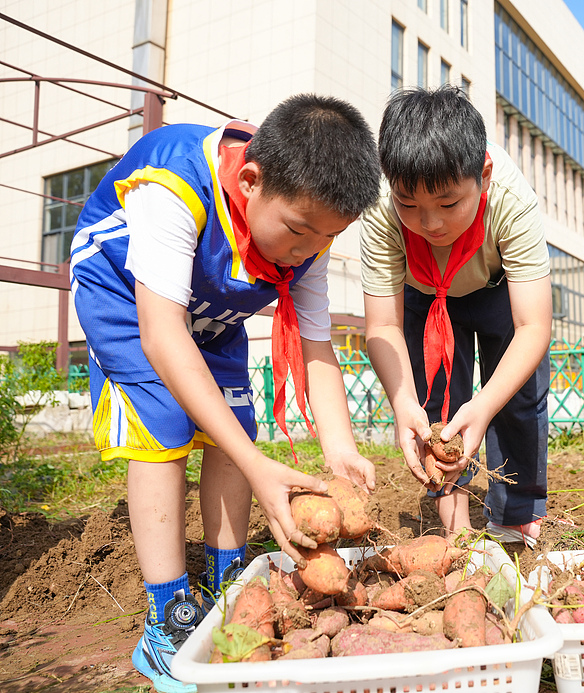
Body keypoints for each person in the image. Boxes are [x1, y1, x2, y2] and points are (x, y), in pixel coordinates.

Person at [70, 94, 381, 693]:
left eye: (323, 239)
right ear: (250, 180)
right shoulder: (175, 186)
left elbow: (317, 347)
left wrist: (339, 445)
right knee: (162, 420)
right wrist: (258, 467)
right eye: (296, 232)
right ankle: (166, 616)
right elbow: (162, 336)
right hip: (127, 295)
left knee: (237, 423)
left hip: (210, 313)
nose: (304, 251)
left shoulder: (308, 232)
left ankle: (229, 580)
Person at [360, 85, 553, 546]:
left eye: (449, 204)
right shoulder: (381, 211)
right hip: (424, 295)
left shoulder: (511, 198)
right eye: (409, 204)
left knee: (518, 397)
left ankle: (517, 513)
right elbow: (382, 324)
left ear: (483, 175)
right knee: (434, 402)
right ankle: (456, 528)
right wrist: (402, 401)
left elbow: (534, 325)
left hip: (496, 288)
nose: (429, 224)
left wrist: (485, 406)